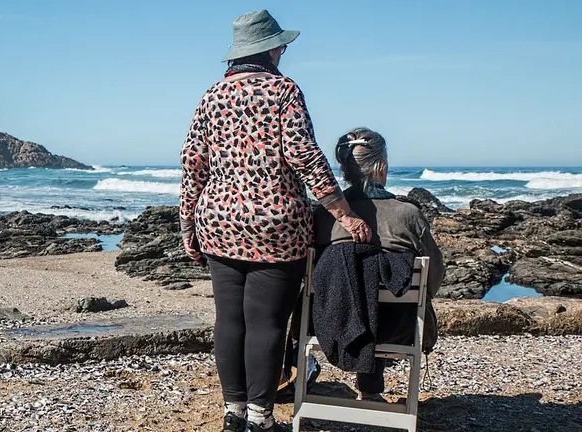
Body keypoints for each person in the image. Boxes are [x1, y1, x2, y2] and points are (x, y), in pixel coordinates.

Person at [179, 10, 372, 432]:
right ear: (269, 49)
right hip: (276, 225)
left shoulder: (211, 96)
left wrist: (188, 228)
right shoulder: (283, 91)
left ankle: (233, 414)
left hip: (219, 221)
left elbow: (193, 165)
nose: (283, 51)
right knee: (267, 322)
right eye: (280, 45)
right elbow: (304, 156)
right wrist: (345, 213)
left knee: (229, 319)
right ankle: (260, 418)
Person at [312, 127, 445, 402]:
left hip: (329, 323)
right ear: (381, 166)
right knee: (383, 297)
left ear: (345, 168)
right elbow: (434, 277)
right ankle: (371, 391)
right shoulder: (407, 215)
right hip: (397, 327)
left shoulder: (323, 216)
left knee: (355, 288)